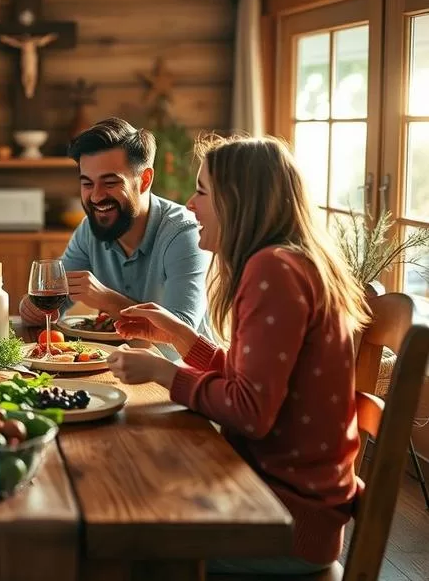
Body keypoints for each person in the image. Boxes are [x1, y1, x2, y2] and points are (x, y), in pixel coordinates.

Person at [107, 135, 370, 574]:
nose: (190, 204)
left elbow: (250, 410)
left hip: (282, 523)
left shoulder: (273, 271)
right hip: (280, 505)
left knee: (126, 538)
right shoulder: (289, 262)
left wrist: (163, 374)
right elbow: (260, 381)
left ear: (239, 201)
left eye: (203, 191)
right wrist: (180, 337)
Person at [19, 117, 211, 354]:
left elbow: (183, 334)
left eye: (110, 183)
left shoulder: (184, 234)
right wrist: (32, 308)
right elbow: (53, 300)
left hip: (180, 377)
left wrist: (107, 300)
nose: (96, 196)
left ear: (144, 180)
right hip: (116, 366)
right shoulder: (88, 230)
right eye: (87, 184)